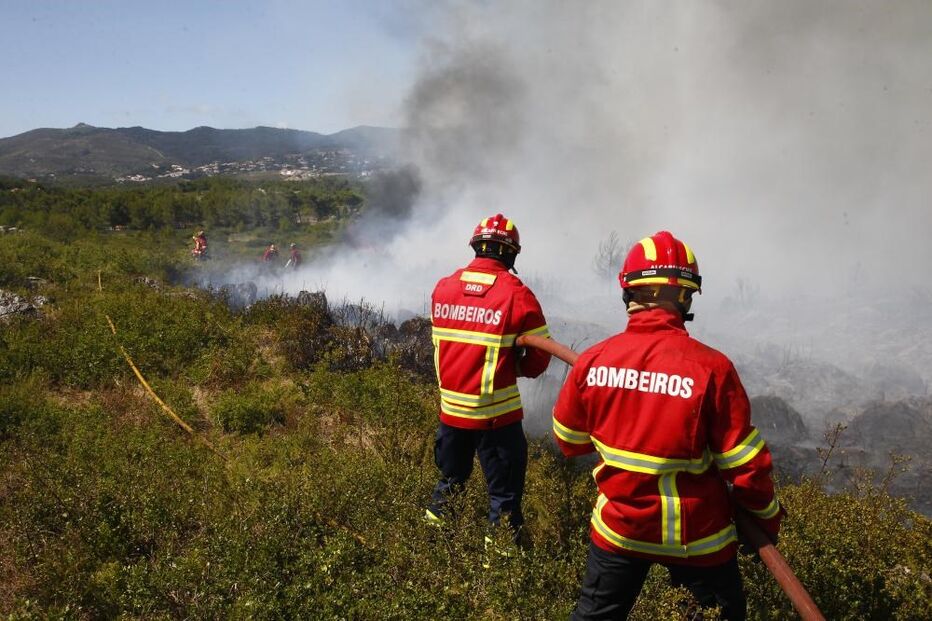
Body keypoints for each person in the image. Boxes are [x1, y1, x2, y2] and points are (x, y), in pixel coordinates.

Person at [552, 231, 783, 621]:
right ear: (685, 297)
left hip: (619, 531)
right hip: (698, 538)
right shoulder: (712, 368)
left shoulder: (593, 361)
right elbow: (747, 466)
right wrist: (766, 519)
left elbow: (568, 440)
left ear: (629, 293)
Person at [427, 213, 552, 540]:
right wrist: (515, 367)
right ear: (510, 253)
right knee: (504, 498)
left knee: (450, 483)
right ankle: (499, 578)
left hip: (451, 414)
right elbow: (540, 356)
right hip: (496, 419)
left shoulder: (444, 287)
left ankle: (432, 548)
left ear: (476, 248)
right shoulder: (516, 294)